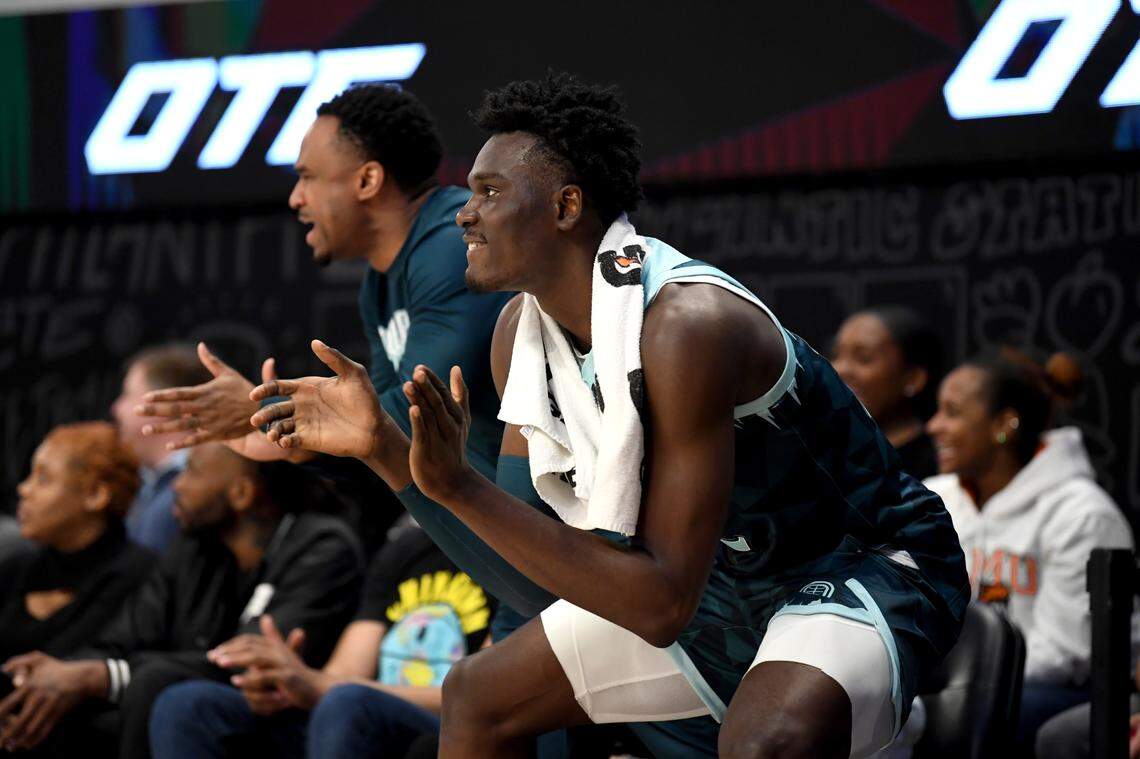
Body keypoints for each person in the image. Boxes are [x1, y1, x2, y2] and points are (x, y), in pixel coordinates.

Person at [248, 73, 969, 758]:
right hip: (718, 584)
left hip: (860, 563)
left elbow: (658, 606)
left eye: (490, 191)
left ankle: (875, 707)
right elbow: (540, 581)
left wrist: (457, 486)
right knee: (478, 692)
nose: (465, 212)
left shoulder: (685, 325)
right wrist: (391, 454)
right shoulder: (517, 339)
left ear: (566, 207)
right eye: (469, 192)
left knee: (761, 743)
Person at [131, 83, 511, 503]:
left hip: (548, 518)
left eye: (308, 177)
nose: (295, 198)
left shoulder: (449, 247)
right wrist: (292, 440)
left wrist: (274, 410)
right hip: (491, 515)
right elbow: (383, 445)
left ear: (367, 179)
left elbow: (416, 414)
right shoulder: (380, 284)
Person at [0, 443, 363, 759]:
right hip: (173, 701)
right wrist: (60, 676)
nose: (177, 485)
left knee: (159, 685)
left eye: (191, 471)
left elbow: (249, 664)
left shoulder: (322, 547)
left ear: (241, 493)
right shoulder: (194, 548)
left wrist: (105, 675)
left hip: (278, 720)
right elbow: (122, 637)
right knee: (53, 702)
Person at [924, 350, 1133, 756]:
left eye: (952, 413)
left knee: (975, 715)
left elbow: (1068, 654)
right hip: (959, 677)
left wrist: (961, 679)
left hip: (1066, 690)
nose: (934, 426)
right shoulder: (934, 497)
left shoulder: (1081, 514)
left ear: (1005, 425)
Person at [147, 517, 495, 759]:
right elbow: (343, 673)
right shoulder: (409, 547)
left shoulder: (509, 554)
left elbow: (483, 699)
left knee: (348, 705)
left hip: (447, 727)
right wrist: (290, 680)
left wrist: (324, 688)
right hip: (358, 720)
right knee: (188, 704)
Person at [0, 422, 154, 662]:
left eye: (43, 478)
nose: (24, 489)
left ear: (95, 495)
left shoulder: (139, 577)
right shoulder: (15, 568)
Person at [111, 344, 212, 553]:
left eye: (128, 394)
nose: (116, 408)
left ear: (174, 405)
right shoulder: (145, 486)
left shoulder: (201, 490)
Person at [832, 308, 944, 480]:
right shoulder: (824, 455)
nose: (840, 369)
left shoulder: (939, 467)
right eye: (836, 356)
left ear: (913, 378)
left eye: (864, 358)